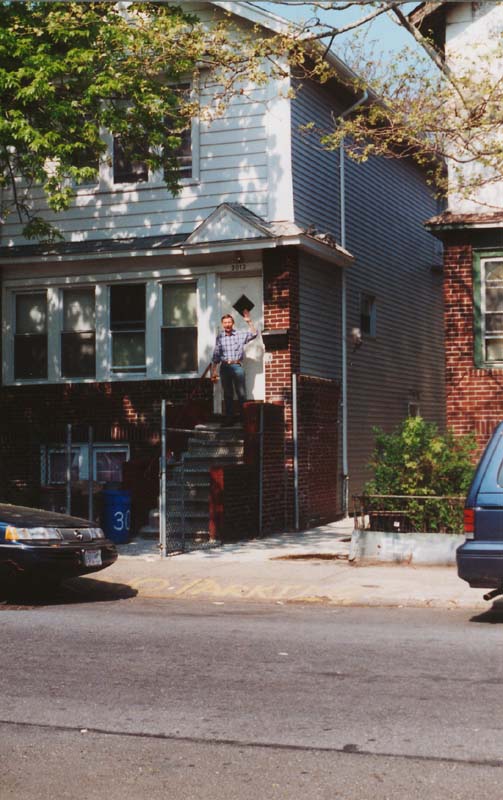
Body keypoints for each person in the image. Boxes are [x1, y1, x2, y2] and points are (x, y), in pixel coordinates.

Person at [211, 309, 257, 423]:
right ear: (222, 324)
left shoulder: (240, 335)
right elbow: (216, 354)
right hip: (224, 367)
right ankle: (229, 419)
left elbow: (254, 334)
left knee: (241, 393)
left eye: (229, 322)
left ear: (233, 323)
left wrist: (249, 321)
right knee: (227, 394)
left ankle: (244, 419)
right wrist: (214, 371)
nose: (227, 324)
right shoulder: (220, 337)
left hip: (237, 366)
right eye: (225, 322)